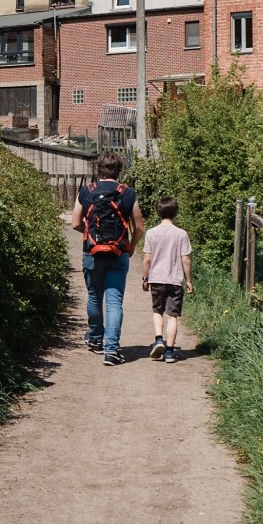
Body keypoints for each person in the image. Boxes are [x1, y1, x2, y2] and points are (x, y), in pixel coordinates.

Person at [70, 151, 145, 366]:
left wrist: (91, 235)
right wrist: (130, 247)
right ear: (119, 170)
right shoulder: (128, 193)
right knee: (114, 302)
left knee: (94, 297)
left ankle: (95, 339)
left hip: (92, 253)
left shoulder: (86, 191)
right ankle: (111, 350)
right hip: (118, 252)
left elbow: (75, 223)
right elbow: (139, 227)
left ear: (98, 169)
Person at [140, 195, 193, 364]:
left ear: (157, 212)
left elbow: (147, 259)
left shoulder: (151, 233)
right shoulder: (181, 234)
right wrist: (189, 280)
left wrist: (145, 278)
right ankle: (170, 352)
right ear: (176, 213)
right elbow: (186, 259)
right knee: (172, 316)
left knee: (157, 311)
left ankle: (158, 339)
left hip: (156, 278)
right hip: (175, 280)